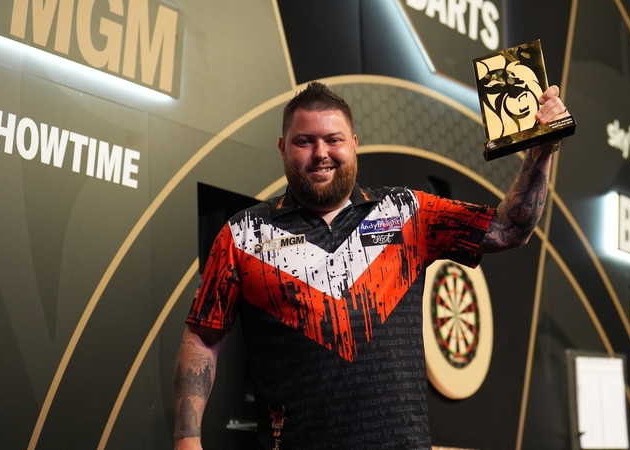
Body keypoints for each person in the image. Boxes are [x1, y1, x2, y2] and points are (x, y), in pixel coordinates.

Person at [174, 81, 569, 449]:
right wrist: (186, 441)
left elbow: (509, 228)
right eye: (304, 141)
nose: (321, 153)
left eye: (333, 139)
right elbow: (202, 339)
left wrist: (541, 150)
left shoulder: (407, 211)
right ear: (282, 148)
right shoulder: (242, 234)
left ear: (355, 144)